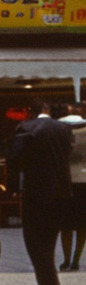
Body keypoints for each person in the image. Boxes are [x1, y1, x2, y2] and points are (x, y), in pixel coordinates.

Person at [5, 102, 74, 285]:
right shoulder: (63, 130)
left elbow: (13, 161)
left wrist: (13, 187)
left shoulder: (26, 130)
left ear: (27, 111)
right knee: (47, 251)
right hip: (62, 195)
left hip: (37, 196)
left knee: (39, 254)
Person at [60, 104, 86, 272]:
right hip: (83, 182)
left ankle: (68, 259)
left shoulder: (61, 135)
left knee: (66, 225)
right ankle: (75, 259)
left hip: (67, 182)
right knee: (81, 225)